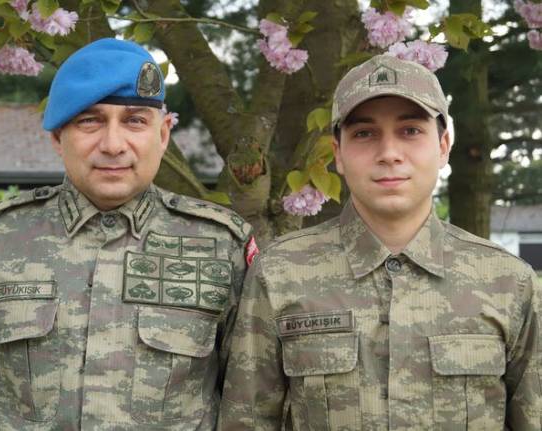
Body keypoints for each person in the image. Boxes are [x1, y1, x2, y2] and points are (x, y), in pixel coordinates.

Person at [0, 38, 254, 430]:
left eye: (135, 121)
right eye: (89, 120)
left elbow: (247, 402)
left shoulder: (221, 246)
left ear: (163, 135)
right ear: (58, 138)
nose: (112, 145)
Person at [219, 54, 541, 430]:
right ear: (338, 153)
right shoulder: (280, 274)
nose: (389, 153)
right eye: (364, 134)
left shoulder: (508, 282)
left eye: (410, 130)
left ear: (443, 146)